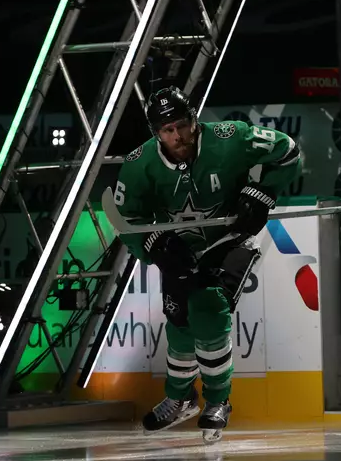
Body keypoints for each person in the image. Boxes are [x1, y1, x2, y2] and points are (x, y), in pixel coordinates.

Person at [114, 87, 302, 441]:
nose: (177, 136)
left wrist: (262, 192)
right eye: (167, 130)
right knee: (180, 322)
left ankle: (219, 400)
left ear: (194, 119)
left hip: (230, 239)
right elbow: (123, 217)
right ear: (156, 133)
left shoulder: (231, 138)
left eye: (182, 125)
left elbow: (289, 152)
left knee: (208, 305)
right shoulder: (139, 164)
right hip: (179, 249)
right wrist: (153, 243)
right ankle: (180, 397)